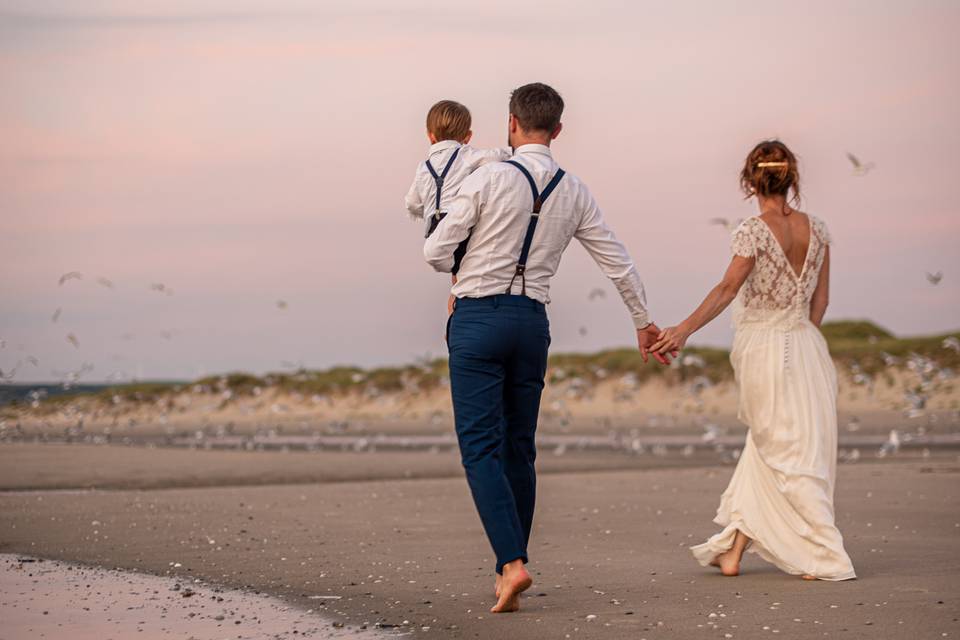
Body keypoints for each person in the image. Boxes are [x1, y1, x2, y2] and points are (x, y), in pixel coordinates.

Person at [424, 82, 670, 613]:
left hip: (477, 318)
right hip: (531, 321)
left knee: (480, 447)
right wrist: (643, 321)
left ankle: (512, 565)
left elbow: (435, 251)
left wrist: (461, 257)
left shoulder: (487, 175)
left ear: (510, 124)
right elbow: (618, 262)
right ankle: (507, 569)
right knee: (520, 447)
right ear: (557, 129)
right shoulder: (574, 189)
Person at [651, 140, 856, 581]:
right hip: (807, 345)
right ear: (792, 178)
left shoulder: (752, 230)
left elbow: (728, 290)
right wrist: (803, 343)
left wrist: (682, 331)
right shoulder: (817, 229)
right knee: (784, 445)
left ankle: (820, 552)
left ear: (750, 180)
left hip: (764, 347)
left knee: (780, 447)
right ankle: (738, 549)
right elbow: (820, 301)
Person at [405, 100, 511, 314]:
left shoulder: (423, 167)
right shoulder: (466, 156)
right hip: (460, 227)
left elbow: (411, 202)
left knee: (457, 281)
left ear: (430, 135)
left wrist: (425, 211)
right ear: (468, 136)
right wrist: (515, 152)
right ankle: (460, 321)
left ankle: (453, 323)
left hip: (434, 231)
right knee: (461, 281)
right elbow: (497, 156)